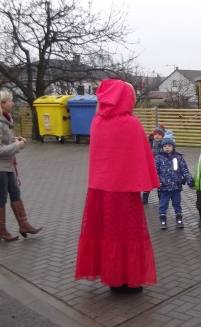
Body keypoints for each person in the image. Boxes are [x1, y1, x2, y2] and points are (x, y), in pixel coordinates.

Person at [75, 79, 159, 294]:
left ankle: (113, 278)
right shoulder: (130, 123)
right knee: (128, 234)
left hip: (99, 191)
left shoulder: (97, 121)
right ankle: (127, 279)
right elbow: (143, 155)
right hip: (124, 192)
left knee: (106, 233)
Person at [0, 89, 42, 242]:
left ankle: (24, 225)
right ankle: (0, 230)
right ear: (1, 104)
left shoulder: (2, 119)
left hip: (5, 164)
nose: (13, 103)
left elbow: (2, 140)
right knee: (1, 197)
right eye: (10, 101)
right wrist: (17, 146)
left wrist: (14, 139)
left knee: (15, 194)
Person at [155, 131, 195, 229]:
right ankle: (163, 220)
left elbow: (185, 170)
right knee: (163, 204)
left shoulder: (178, 158)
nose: (167, 148)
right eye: (165, 146)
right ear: (162, 147)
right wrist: (156, 182)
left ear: (173, 146)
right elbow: (154, 171)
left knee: (177, 203)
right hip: (164, 187)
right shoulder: (159, 158)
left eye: (169, 145)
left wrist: (190, 181)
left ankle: (179, 219)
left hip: (176, 187)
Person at [143, 123, 166, 204]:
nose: (157, 136)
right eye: (155, 134)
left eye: (159, 134)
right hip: (151, 166)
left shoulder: (165, 145)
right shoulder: (150, 142)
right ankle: (145, 197)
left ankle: (161, 198)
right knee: (148, 182)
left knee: (160, 183)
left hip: (161, 167)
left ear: (162, 136)